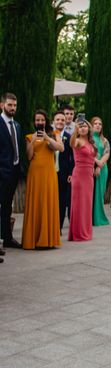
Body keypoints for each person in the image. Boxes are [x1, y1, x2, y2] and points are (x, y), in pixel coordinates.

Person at [22, 110, 63, 249]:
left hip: (49, 173)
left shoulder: (54, 134)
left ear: (46, 121)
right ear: (34, 122)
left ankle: (47, 239)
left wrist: (47, 138)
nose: (40, 122)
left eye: (42, 120)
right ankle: (33, 238)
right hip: (34, 174)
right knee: (36, 202)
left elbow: (60, 148)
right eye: (37, 120)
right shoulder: (29, 136)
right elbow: (28, 156)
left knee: (48, 201)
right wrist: (33, 140)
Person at [68, 116, 97, 242]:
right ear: (77, 129)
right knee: (79, 204)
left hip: (89, 176)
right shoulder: (77, 141)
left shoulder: (91, 142)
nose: (83, 128)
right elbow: (71, 143)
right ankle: (78, 233)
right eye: (80, 126)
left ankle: (86, 231)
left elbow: (93, 157)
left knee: (87, 204)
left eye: (85, 126)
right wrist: (75, 131)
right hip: (79, 175)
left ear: (88, 128)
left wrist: (98, 166)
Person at [0, 92, 22, 250]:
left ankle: (7, 238)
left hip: (14, 172)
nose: (12, 108)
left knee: (8, 206)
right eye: (9, 105)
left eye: (14, 105)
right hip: (1, 172)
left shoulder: (17, 126)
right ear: (2, 105)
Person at [52, 111, 74, 231]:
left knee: (61, 201)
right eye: (58, 119)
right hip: (50, 172)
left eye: (62, 120)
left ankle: (58, 227)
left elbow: (73, 157)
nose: (60, 122)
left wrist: (71, 173)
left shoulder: (68, 136)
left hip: (63, 173)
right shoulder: (48, 135)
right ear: (53, 121)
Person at [91, 117, 110, 226]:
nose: (98, 125)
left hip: (102, 170)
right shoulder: (88, 139)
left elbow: (107, 154)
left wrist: (99, 165)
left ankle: (99, 218)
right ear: (91, 126)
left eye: (100, 124)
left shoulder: (105, 140)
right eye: (95, 124)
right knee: (91, 194)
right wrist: (95, 164)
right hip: (90, 168)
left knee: (100, 193)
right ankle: (90, 218)